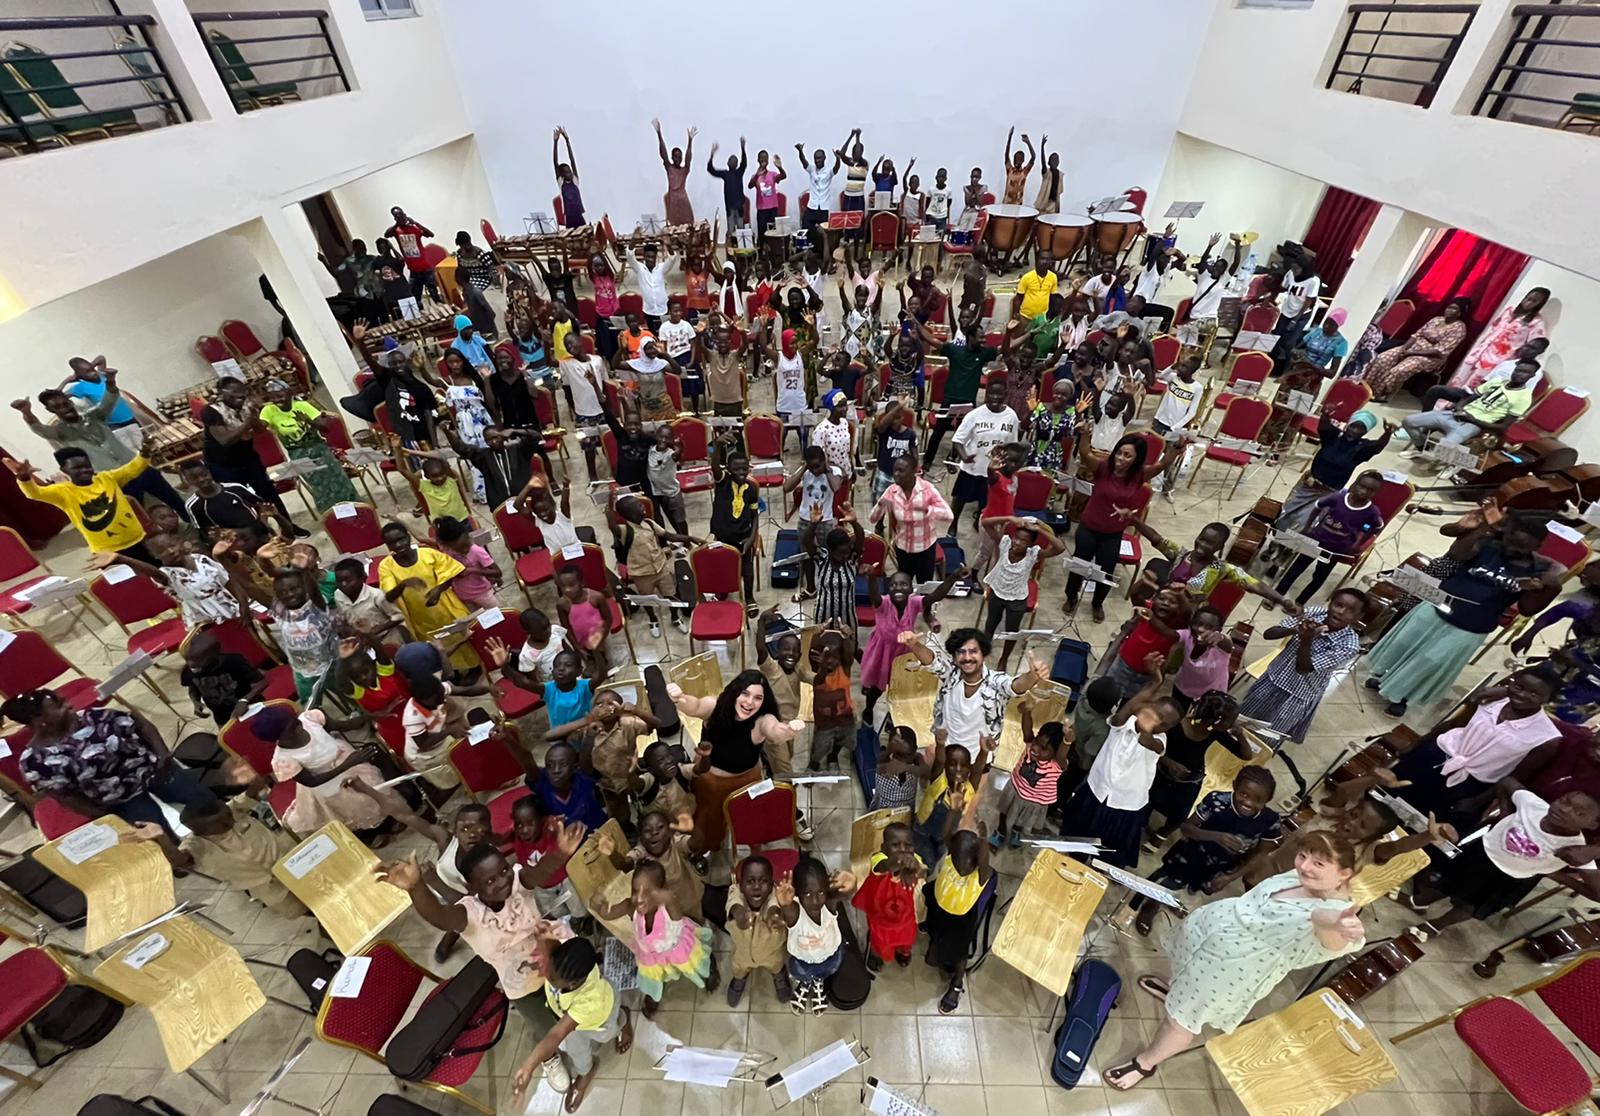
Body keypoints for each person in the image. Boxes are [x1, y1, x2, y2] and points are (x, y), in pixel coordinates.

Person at [1103, 830, 1365, 1090]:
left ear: (1344, 873)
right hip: (1210, 936)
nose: (1305, 866)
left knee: (1182, 1020)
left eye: (1319, 863)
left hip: (1231, 972)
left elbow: (1325, 924)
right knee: (1183, 973)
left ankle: (1145, 1064)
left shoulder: (1336, 916)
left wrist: (1338, 923)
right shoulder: (1302, 878)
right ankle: (1175, 991)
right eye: (1303, 856)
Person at [374, 834, 585, 1034]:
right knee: (546, 1026)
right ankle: (553, 1058)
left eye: (504, 870)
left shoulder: (519, 884)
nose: (502, 881)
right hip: (523, 985)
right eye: (490, 881)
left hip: (554, 960)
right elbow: (438, 916)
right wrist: (416, 887)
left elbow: (541, 870)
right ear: (472, 887)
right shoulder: (469, 915)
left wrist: (560, 852)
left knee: (576, 1008)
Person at [1366, 516, 1560, 715]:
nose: (1514, 549)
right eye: (1512, 542)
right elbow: (1456, 554)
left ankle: (1402, 696)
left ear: (1538, 545)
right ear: (1507, 534)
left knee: (1430, 662)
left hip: (1471, 625)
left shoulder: (1537, 570)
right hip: (1436, 606)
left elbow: (1527, 609)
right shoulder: (1488, 545)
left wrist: (1550, 588)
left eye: (1522, 547)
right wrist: (1482, 528)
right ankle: (1383, 677)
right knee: (1403, 643)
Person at [4, 689, 220, 861]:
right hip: (118, 800)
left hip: (155, 771)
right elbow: (65, 795)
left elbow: (142, 725)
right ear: (38, 720)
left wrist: (163, 753)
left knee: (203, 801)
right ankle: (182, 862)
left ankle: (222, 838)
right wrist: (98, 814)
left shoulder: (94, 717)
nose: (69, 704)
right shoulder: (35, 761)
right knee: (159, 837)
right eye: (59, 706)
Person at [1405, 785, 1599, 941]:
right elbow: (1507, 780)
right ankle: (1419, 902)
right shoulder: (1533, 804)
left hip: (1509, 879)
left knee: (1471, 905)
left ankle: (1437, 925)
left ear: (1592, 825)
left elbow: (1596, 894)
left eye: (1579, 813)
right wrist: (1505, 811)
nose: (1563, 809)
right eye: (1564, 801)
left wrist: (1556, 875)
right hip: (1482, 853)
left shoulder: (1576, 849)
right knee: (1447, 882)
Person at [1388, 666, 1561, 826]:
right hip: (1434, 755)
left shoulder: (1547, 737)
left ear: (1548, 699)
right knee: (1387, 796)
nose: (1522, 695)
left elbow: (1517, 775)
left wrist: (1478, 801)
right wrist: (1417, 744)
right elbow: (1455, 724)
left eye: (1534, 694)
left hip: (1468, 784)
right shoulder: (1490, 700)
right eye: (1519, 687)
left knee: (1419, 822)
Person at [13, 370, 187, 519]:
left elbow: (108, 401)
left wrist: (110, 381)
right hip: (114, 480)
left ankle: (200, 526)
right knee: (136, 516)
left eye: (65, 403)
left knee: (175, 500)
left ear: (70, 402)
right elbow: (40, 430)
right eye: (57, 407)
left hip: (138, 466)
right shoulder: (60, 432)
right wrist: (26, 412)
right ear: (52, 411)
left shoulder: (94, 416)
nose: (64, 407)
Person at [1133, 766, 1282, 936]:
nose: (1248, 802)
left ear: (1268, 800)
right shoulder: (1217, 801)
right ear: (1234, 786)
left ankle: (1171, 899)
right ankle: (1150, 906)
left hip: (1220, 867)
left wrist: (1230, 877)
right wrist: (1215, 836)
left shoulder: (1270, 820)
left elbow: (1261, 853)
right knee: (1168, 881)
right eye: (1244, 794)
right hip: (1189, 855)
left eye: (1258, 800)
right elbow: (1186, 828)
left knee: (1192, 886)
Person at [667, 672, 804, 850]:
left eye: (757, 698)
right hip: (710, 782)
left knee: (750, 819)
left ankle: (755, 849)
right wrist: (679, 698)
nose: (749, 702)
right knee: (710, 820)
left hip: (747, 781)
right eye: (745, 694)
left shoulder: (763, 720)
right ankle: (710, 846)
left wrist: (789, 730)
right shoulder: (714, 706)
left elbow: (775, 731)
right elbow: (696, 706)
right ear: (735, 691)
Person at [1060, 669, 1180, 866]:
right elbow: (1121, 716)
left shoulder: (1159, 741)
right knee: (1077, 840)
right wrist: (1153, 684)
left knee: (1107, 853)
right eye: (1157, 715)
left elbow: (1147, 741)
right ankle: (1075, 861)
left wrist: (1148, 726)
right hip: (1096, 790)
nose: (1158, 723)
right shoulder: (1124, 722)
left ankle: (1098, 870)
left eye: (1164, 724)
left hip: (1125, 806)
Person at [510, 936, 632, 1113]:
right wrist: (534, 963)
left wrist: (528, 1066)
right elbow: (546, 945)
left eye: (550, 976)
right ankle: (586, 1072)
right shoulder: (560, 963)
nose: (545, 974)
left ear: (572, 984)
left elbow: (556, 1034)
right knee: (577, 1050)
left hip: (599, 1018)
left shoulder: (589, 1001)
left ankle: (623, 1018)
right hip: (572, 1021)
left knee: (608, 1032)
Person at [1065, 432, 1168, 622]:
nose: (1121, 458)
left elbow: (1162, 465)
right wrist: (1086, 435)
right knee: (1080, 563)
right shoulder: (1103, 468)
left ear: (1137, 459)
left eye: (1128, 455)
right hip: (1089, 526)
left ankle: (1097, 603)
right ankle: (1071, 597)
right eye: (1120, 453)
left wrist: (1176, 451)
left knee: (1106, 571)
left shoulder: (1139, 476)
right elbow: (1086, 454)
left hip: (1112, 533)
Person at [594, 860, 718, 1016]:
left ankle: (710, 968)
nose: (639, 898)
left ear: (662, 891)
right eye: (635, 891)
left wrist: (666, 897)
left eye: (647, 891)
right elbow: (609, 914)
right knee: (650, 979)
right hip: (650, 956)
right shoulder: (631, 906)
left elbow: (672, 903)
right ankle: (653, 995)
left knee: (699, 962)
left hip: (677, 949)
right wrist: (601, 907)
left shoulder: (669, 908)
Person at [1239, 590, 1366, 743]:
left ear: (1358, 617)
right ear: (1330, 603)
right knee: (1242, 720)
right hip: (1273, 678)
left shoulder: (1349, 644)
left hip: (1297, 696)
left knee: (1267, 738)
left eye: (1351, 610)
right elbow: (1269, 634)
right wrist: (1295, 629)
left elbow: (1303, 668)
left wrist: (1307, 639)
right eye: (1338, 605)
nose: (1341, 612)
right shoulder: (1314, 613)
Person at [898, 626, 1050, 753]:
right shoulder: (951, 674)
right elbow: (932, 662)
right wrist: (914, 645)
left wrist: (1032, 676)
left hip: (980, 753)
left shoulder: (995, 681)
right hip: (946, 746)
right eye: (961, 652)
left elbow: (1015, 686)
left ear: (983, 654)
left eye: (973, 651)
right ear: (955, 657)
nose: (967, 657)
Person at [5, 447, 157, 563]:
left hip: (138, 538)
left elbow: (131, 469)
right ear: (64, 470)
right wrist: (24, 478)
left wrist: (144, 452)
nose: (85, 470)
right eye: (77, 468)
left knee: (158, 571)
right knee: (133, 583)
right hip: (107, 549)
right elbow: (34, 493)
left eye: (87, 466)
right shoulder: (63, 492)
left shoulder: (106, 478)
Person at [201, 378, 305, 534]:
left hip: (248, 457)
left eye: (243, 395)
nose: (240, 398)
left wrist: (255, 420)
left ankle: (288, 526)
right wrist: (247, 423)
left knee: (269, 493)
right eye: (235, 395)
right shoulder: (211, 411)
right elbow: (224, 439)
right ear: (223, 394)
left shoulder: (247, 405)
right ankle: (259, 534)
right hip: (224, 464)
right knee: (239, 499)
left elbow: (260, 431)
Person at [377, 521, 480, 675]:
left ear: (408, 537)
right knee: (437, 645)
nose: (398, 545)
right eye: (392, 543)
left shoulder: (428, 554)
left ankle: (474, 667)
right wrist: (403, 584)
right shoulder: (386, 566)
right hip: (420, 618)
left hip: (446, 607)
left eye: (401, 539)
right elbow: (389, 596)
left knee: (460, 637)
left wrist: (438, 590)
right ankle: (452, 669)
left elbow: (450, 573)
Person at [861, 567, 963, 719]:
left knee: (900, 687)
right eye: (893, 585)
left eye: (903, 585)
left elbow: (936, 595)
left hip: (903, 652)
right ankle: (868, 709)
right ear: (888, 589)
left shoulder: (914, 603)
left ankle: (893, 715)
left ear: (911, 589)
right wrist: (871, 579)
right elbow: (874, 595)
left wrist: (954, 576)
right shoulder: (883, 603)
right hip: (882, 652)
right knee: (876, 688)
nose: (898, 588)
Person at [1274, 470, 1386, 605]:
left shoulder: (1372, 512)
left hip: (1336, 549)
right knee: (1296, 569)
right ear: (1355, 484)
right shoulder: (1339, 497)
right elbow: (1317, 506)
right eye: (1361, 486)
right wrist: (1308, 527)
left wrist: (1358, 541)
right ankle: (1277, 596)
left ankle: (1300, 602)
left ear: (1376, 493)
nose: (1363, 492)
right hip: (1316, 539)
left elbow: (1377, 526)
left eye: (1370, 490)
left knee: (1319, 577)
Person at [1273, 412, 1396, 535]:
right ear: (1348, 425)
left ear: (1365, 432)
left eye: (1360, 429)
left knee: (1305, 523)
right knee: (1287, 513)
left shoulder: (1362, 448)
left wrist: (1387, 434)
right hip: (1308, 485)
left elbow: (1376, 447)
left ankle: (1287, 547)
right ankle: (1272, 538)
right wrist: (1326, 413)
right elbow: (1323, 427)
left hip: (1327, 492)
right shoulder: (1334, 436)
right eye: (1353, 426)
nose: (1354, 431)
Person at [922, 803, 992, 1013]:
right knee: (936, 932)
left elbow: (984, 862)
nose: (961, 867)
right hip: (940, 908)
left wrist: (983, 840)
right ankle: (934, 944)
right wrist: (953, 812)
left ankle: (957, 982)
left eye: (968, 863)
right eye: (958, 859)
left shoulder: (980, 876)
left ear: (976, 861)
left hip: (961, 919)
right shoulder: (953, 857)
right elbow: (946, 835)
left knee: (959, 952)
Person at [258, 379, 358, 513]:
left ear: (289, 393)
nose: (277, 400)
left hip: (318, 449)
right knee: (318, 485)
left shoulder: (303, 406)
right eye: (273, 397)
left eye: (280, 395)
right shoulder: (268, 410)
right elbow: (260, 428)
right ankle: (331, 514)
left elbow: (326, 428)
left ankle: (352, 508)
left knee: (336, 480)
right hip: (297, 453)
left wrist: (307, 420)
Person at [774, 855, 857, 1015]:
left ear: (826, 887)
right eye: (807, 894)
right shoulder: (795, 912)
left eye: (820, 891)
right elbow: (788, 909)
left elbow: (845, 893)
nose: (815, 900)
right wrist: (784, 904)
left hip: (831, 956)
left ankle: (818, 983)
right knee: (803, 975)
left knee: (825, 973)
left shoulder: (829, 903)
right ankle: (805, 984)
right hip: (802, 961)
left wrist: (852, 884)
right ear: (797, 893)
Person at [979, 515, 1065, 671]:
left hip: (1017, 598)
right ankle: (983, 651)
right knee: (990, 624)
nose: (1017, 542)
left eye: (1023, 541)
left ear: (1031, 544)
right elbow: (985, 523)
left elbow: (1060, 548)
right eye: (1016, 537)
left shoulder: (1034, 554)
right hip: (997, 592)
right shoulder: (1005, 543)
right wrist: (1010, 519)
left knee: (1012, 631)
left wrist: (1040, 528)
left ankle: (1004, 659)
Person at [1400, 359, 1539, 452]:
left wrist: (1471, 419)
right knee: (1408, 421)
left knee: (1443, 449)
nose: (1519, 374)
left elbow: (1502, 426)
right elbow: (1469, 398)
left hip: (1474, 424)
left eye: (1525, 372)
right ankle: (1422, 447)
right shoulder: (1497, 381)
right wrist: (1460, 407)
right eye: (1518, 370)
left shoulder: (1524, 397)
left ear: (1532, 376)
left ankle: (1447, 460)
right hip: (1457, 414)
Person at [1362, 298, 1471, 401]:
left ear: (1459, 313)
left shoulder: (1459, 329)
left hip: (1430, 357)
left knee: (1399, 370)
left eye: (1454, 309)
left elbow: (1439, 351)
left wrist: (1411, 353)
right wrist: (1403, 349)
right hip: (1411, 348)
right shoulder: (1436, 320)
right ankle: (1366, 387)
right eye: (1449, 307)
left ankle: (1381, 395)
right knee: (1382, 358)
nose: (1449, 310)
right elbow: (1416, 335)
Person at [869, 454, 953, 584]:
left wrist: (928, 510)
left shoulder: (927, 490)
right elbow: (872, 519)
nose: (896, 474)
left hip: (925, 549)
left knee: (924, 587)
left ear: (913, 472)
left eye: (901, 471)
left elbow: (948, 515)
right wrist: (880, 504)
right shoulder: (892, 491)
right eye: (895, 470)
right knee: (904, 585)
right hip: (903, 549)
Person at [950, 378, 1020, 530]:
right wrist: (964, 456)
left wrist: (1008, 467)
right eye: (991, 394)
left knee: (986, 500)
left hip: (995, 470)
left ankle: (979, 523)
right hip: (973, 467)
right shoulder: (975, 415)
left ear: (1005, 394)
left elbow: (1012, 444)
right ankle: (953, 524)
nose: (995, 397)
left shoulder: (1011, 416)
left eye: (999, 394)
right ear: (986, 394)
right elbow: (957, 440)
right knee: (960, 498)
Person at [1451, 287, 1550, 390]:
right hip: (1481, 352)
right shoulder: (1509, 311)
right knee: (1459, 380)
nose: (1528, 302)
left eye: (1534, 301)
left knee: (1473, 387)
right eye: (1528, 298)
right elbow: (1493, 328)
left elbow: (1534, 345)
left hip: (1498, 360)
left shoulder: (1536, 322)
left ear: (1539, 304)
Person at [726, 854, 793, 1006]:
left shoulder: (776, 895)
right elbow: (734, 904)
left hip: (771, 951)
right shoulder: (736, 892)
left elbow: (773, 907)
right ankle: (739, 979)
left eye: (763, 881)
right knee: (739, 968)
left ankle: (779, 977)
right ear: (741, 884)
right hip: (742, 953)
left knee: (776, 965)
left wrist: (773, 916)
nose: (756, 886)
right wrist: (740, 915)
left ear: (771, 885)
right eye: (750, 881)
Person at [994, 719, 1063, 848]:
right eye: (1037, 740)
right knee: (1004, 812)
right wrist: (1027, 711)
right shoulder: (1030, 746)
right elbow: (1027, 731)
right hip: (1015, 788)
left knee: (1021, 821)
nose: (1035, 748)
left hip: (1033, 801)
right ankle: (1000, 831)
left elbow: (1063, 753)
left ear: (1056, 753)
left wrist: (1067, 742)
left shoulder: (1057, 765)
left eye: (1043, 748)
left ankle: (1016, 833)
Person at [61, 355, 145, 453]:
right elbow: (57, 396)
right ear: (80, 376)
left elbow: (101, 358)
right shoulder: (80, 387)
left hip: (129, 417)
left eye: (93, 369)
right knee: (132, 451)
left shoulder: (102, 376)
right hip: (113, 424)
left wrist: (89, 367)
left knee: (146, 445)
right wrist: (66, 381)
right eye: (88, 372)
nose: (93, 373)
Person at [180, 631, 266, 724]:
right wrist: (196, 702)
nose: (193, 667)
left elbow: (261, 682)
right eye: (190, 661)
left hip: (250, 707)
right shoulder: (188, 670)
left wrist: (245, 700)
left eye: (199, 662)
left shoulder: (234, 661)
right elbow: (193, 687)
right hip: (222, 717)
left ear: (215, 655)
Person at [1269, 259, 1322, 373]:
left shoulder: (1313, 281)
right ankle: (1271, 364)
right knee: (1276, 336)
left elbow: (1308, 301)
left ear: (1304, 269)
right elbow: (1283, 287)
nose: (1293, 271)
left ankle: (1287, 370)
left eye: (1296, 269)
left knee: (1289, 343)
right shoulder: (1290, 274)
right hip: (1287, 310)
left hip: (1301, 313)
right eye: (1292, 268)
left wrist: (1295, 319)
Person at [384, 205, 439, 302]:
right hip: (413, 270)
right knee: (414, 297)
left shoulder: (414, 228)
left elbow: (430, 234)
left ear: (405, 215)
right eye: (397, 216)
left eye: (401, 215)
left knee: (434, 294)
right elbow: (386, 235)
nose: (400, 218)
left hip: (425, 268)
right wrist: (397, 224)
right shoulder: (396, 231)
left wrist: (415, 223)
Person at [652, 118, 696, 227]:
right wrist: (659, 134)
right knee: (673, 228)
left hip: (683, 202)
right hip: (673, 202)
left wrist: (690, 141)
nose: (678, 159)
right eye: (676, 157)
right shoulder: (669, 168)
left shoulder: (684, 170)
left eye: (680, 157)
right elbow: (663, 154)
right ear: (672, 157)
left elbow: (688, 159)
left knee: (688, 227)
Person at [795, 139, 843, 237]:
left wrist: (838, 159)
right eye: (815, 158)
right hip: (812, 206)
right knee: (805, 228)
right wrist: (800, 151)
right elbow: (804, 162)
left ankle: (820, 251)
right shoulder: (811, 169)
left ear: (824, 158)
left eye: (819, 158)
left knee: (822, 234)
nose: (817, 161)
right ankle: (807, 250)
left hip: (823, 208)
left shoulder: (829, 171)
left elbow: (836, 168)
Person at [625, 243, 677, 330]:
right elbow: (630, 257)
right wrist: (634, 240)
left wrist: (668, 245)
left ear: (656, 257)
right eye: (648, 256)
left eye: (653, 257)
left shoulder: (662, 268)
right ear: (644, 256)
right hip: (649, 310)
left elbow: (672, 259)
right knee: (653, 336)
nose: (650, 259)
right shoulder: (639, 268)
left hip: (663, 309)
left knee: (665, 334)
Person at [706, 137, 748, 225]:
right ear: (727, 163)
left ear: (737, 164)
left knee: (741, 232)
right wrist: (712, 155)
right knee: (731, 231)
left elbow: (744, 163)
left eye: (735, 161)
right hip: (730, 207)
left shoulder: (739, 172)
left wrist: (743, 148)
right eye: (731, 161)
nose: (733, 162)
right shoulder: (725, 174)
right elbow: (711, 170)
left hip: (739, 206)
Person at [749, 149, 788, 239]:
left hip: (773, 209)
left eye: (765, 158)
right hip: (762, 210)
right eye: (761, 158)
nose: (763, 160)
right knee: (762, 233)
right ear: (758, 160)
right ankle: (762, 250)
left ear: (768, 160)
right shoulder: (756, 176)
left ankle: (772, 251)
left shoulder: (772, 174)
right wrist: (757, 175)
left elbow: (783, 176)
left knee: (773, 233)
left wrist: (780, 167)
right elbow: (750, 186)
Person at [552, 125, 585, 226]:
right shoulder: (561, 183)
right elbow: (555, 162)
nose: (569, 174)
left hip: (579, 214)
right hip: (569, 217)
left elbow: (572, 159)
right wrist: (556, 142)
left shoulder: (575, 180)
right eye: (566, 172)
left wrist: (567, 140)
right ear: (562, 175)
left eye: (569, 171)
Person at [1013, 251, 1058, 321]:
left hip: (1042, 318)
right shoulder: (1027, 277)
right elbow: (1018, 297)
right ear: (1037, 260)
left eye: (1047, 259)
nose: (1045, 262)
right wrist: (1015, 314)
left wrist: (1050, 315)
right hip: (1025, 316)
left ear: (1051, 262)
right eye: (1042, 259)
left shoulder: (1053, 277)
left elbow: (1053, 298)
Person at [1000, 127, 1034, 205]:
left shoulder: (1024, 172)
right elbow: (1006, 154)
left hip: (1018, 204)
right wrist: (1009, 137)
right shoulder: (1010, 170)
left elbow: (1033, 157)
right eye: (1015, 158)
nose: (1017, 160)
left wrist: (1028, 143)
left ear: (1023, 160)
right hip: (1007, 203)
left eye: (1019, 159)